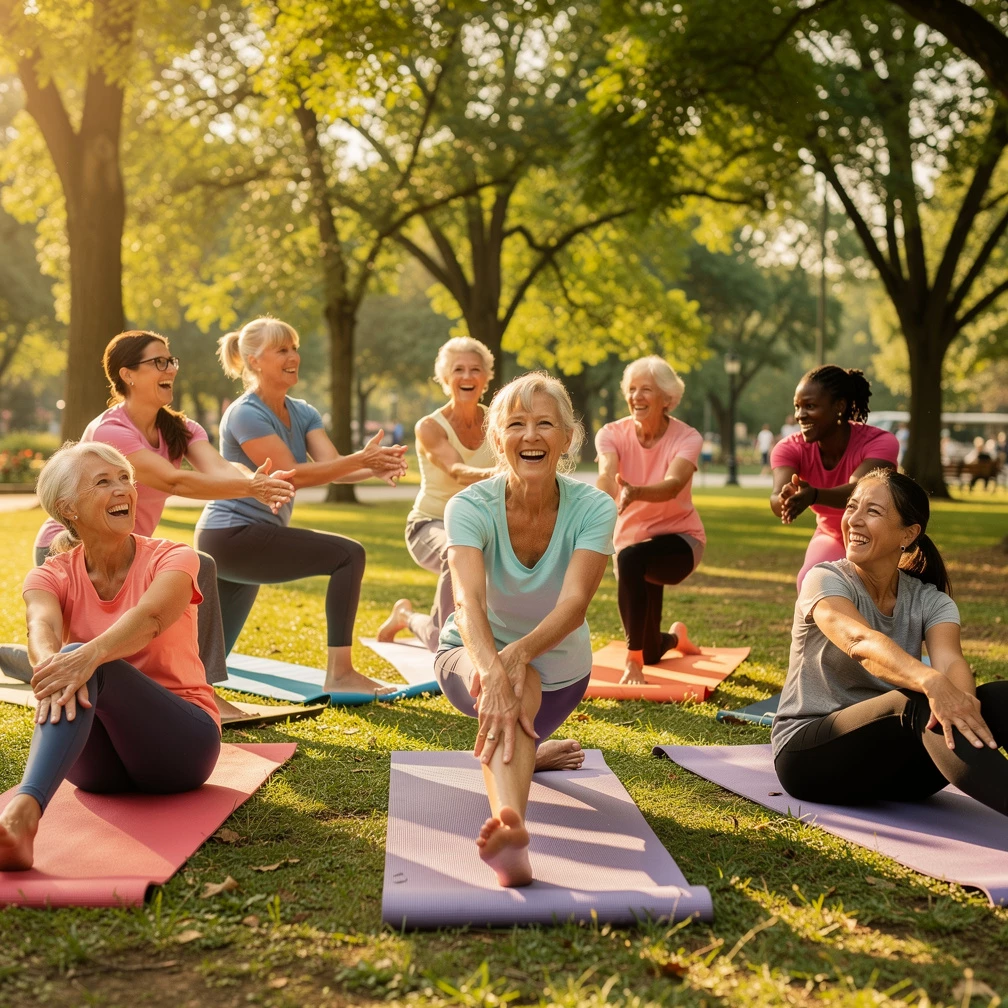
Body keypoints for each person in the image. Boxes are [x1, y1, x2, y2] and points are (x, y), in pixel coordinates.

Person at [6, 330, 296, 721]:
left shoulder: (181, 428)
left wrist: (253, 480)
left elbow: (220, 471)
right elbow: (174, 481)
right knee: (85, 653)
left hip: (132, 548)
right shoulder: (111, 430)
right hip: (70, 543)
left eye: (170, 361)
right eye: (158, 362)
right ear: (127, 374)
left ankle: (202, 687)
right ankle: (15, 659)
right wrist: (249, 486)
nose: (170, 368)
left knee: (193, 574)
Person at [0, 443, 222, 871]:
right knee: (68, 657)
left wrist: (85, 658)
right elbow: (40, 628)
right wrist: (52, 664)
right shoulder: (51, 573)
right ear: (70, 508)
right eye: (104, 482)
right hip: (97, 770)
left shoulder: (173, 556)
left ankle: (20, 815)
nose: (123, 489)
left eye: (125, 478)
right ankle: (21, 823)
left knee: (84, 659)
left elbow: (151, 619)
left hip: (181, 749)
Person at [435, 372, 617, 887]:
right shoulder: (468, 506)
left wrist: (514, 656)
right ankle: (511, 827)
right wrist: (494, 668)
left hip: (562, 676)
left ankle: (527, 758)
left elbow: (575, 605)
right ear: (497, 439)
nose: (531, 436)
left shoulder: (595, 507)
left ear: (567, 438)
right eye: (516, 424)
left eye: (544, 424)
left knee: (525, 681)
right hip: (470, 658)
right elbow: (467, 602)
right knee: (518, 688)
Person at [772, 468, 1008, 815]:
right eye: (852, 507)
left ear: (909, 533)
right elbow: (861, 643)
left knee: (1000, 697)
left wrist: (962, 704)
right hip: (811, 758)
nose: (853, 520)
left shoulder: (930, 599)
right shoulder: (823, 579)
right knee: (918, 699)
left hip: (896, 771)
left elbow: (951, 662)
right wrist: (931, 683)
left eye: (872, 511)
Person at [194, 317, 407, 695]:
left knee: (208, 659)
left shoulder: (303, 411)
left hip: (251, 536)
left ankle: (188, 691)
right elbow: (291, 476)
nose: (293, 356)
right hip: (231, 534)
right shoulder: (246, 412)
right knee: (348, 555)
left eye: (294, 348)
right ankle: (340, 674)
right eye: (282, 350)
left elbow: (332, 468)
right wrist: (362, 459)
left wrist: (374, 467)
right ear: (255, 361)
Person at [377, 337, 496, 650]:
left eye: (475, 369)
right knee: (456, 550)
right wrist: (502, 475)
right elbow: (457, 472)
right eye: (458, 370)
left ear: (486, 377)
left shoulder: (497, 422)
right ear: (445, 379)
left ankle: (406, 616)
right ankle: (452, 646)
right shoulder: (430, 426)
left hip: (481, 530)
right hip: (428, 525)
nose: (467, 377)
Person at [595, 357, 703, 686]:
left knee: (630, 558)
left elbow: (673, 486)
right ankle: (675, 637)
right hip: (633, 540)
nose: (636, 396)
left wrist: (636, 492)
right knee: (653, 650)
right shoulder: (611, 433)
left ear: (667, 397)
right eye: (631, 389)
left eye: (646, 390)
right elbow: (607, 474)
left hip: (681, 541)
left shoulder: (688, 437)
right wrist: (602, 499)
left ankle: (632, 663)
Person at [770, 365, 898, 591]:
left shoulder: (880, 442)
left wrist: (814, 495)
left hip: (880, 536)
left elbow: (860, 493)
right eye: (797, 407)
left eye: (810, 406)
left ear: (839, 406)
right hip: (832, 534)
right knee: (811, 581)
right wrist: (787, 499)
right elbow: (776, 497)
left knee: (875, 597)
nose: (800, 415)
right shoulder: (790, 448)